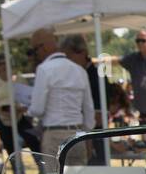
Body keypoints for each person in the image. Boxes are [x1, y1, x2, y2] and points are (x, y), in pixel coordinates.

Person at [27, 28, 95, 163]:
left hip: (54, 134)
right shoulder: (80, 70)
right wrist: (86, 135)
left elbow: (37, 109)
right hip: (77, 134)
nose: (36, 55)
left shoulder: (44, 69)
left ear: (43, 47)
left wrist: (27, 109)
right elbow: (89, 110)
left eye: (35, 50)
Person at [61, 34, 103, 129]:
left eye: (68, 57)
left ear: (82, 53)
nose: (66, 61)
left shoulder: (96, 76)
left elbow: (99, 113)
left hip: (93, 130)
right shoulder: (76, 72)